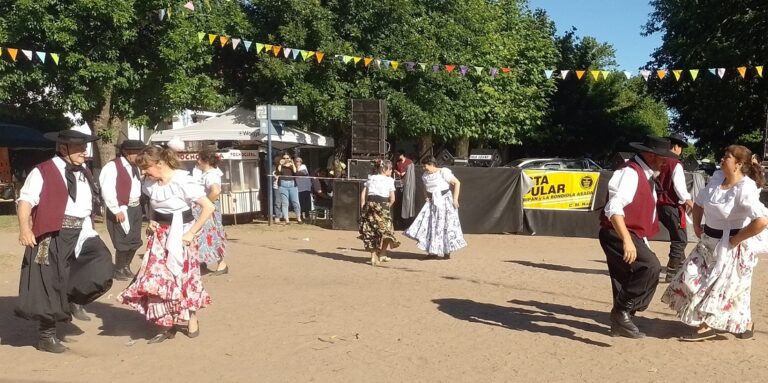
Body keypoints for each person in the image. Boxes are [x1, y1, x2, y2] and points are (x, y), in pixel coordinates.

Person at [15, 129, 113, 353]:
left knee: (102, 266)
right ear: (63, 148)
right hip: (52, 234)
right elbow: (25, 200)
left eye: (84, 146)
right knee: (48, 283)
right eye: (79, 147)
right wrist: (24, 228)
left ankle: (71, 298)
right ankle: (46, 336)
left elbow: (86, 205)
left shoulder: (84, 172)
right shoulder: (43, 171)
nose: (84, 151)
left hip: (81, 231)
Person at [661, 145, 768, 341]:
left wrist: (735, 240)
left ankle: (706, 326)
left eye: (727, 156)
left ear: (739, 164)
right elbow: (700, 203)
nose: (722, 158)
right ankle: (744, 324)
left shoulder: (745, 189)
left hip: (732, 246)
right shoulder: (717, 180)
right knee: (689, 277)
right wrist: (697, 227)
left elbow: (761, 221)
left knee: (723, 288)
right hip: (708, 241)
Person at [119, 146, 215, 344]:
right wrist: (151, 221)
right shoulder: (149, 183)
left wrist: (190, 233)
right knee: (158, 279)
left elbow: (208, 207)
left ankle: (191, 316)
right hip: (160, 235)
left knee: (183, 277)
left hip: (182, 234)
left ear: (160, 164)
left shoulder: (182, 180)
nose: (144, 173)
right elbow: (153, 208)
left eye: (147, 168)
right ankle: (166, 321)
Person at [598, 135, 676, 339]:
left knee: (626, 276)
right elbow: (613, 208)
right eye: (662, 157)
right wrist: (626, 240)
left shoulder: (644, 173)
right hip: (618, 231)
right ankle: (621, 311)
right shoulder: (630, 173)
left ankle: (622, 320)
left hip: (630, 232)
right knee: (650, 266)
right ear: (650, 155)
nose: (665, 161)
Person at [99, 139, 146, 281]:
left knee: (135, 240)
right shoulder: (112, 167)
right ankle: (119, 269)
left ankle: (126, 266)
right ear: (126, 153)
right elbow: (107, 189)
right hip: (121, 208)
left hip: (135, 207)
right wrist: (115, 209)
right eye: (137, 153)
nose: (140, 156)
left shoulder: (136, 167)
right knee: (122, 240)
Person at [404, 156, 466, 258]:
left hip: (445, 201)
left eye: (425, 166)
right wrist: (426, 197)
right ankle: (433, 251)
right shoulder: (425, 175)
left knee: (446, 225)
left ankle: (447, 251)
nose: (424, 168)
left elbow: (457, 183)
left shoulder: (443, 172)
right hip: (433, 202)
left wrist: (455, 200)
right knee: (432, 225)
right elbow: (425, 188)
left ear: (431, 165)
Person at [658, 133, 694, 282]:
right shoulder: (675, 164)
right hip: (671, 204)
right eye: (681, 147)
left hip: (659, 204)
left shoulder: (658, 161)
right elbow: (679, 188)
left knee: (679, 237)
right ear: (676, 147)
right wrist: (689, 201)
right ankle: (672, 271)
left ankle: (680, 267)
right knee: (680, 239)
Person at [359, 160, 401, 266]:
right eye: (390, 169)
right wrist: (386, 207)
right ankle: (382, 253)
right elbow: (392, 199)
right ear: (384, 169)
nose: (391, 171)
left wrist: (363, 205)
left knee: (371, 231)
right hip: (382, 205)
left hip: (370, 205)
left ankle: (373, 257)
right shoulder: (390, 180)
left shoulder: (371, 178)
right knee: (387, 231)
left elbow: (363, 194)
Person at [194, 149, 228, 275]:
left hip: (209, 209)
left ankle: (221, 263)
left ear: (206, 161)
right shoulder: (209, 173)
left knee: (211, 235)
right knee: (204, 236)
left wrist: (205, 204)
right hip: (209, 207)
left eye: (199, 159)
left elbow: (216, 191)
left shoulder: (210, 175)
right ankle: (202, 262)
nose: (197, 161)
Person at [277, 152, 302, 224]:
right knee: (285, 203)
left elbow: (295, 171)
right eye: (284, 158)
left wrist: (292, 164)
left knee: (296, 202)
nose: (286, 159)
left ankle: (299, 218)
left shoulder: (292, 165)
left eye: (287, 158)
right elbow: (278, 171)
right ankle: (286, 219)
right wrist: (280, 164)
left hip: (292, 185)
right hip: (283, 185)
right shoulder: (280, 165)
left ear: (290, 158)